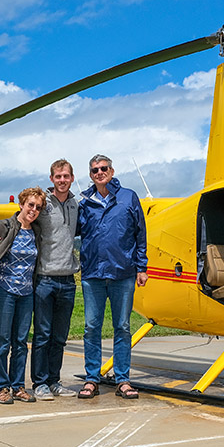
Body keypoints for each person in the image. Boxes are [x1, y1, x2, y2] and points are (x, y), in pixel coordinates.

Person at [0, 160, 80, 400]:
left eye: (66, 176)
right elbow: (18, 219)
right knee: (37, 335)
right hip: (40, 281)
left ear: (72, 178)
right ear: (52, 179)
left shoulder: (76, 205)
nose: (62, 180)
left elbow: (28, 220)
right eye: (58, 176)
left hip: (64, 281)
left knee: (53, 338)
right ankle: (30, 383)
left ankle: (49, 381)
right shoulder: (42, 204)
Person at [77, 154, 148, 400]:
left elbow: (141, 233)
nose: (99, 172)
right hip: (93, 274)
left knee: (123, 327)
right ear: (90, 175)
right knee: (91, 327)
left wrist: (142, 267)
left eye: (103, 168)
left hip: (123, 273)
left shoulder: (129, 197)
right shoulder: (84, 202)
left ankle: (123, 379)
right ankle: (92, 378)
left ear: (112, 170)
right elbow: (63, 227)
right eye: (95, 169)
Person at [0, 187, 46, 405]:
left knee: (20, 342)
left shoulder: (36, 231)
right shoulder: (4, 227)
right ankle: (2, 387)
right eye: (30, 205)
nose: (33, 210)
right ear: (21, 204)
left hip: (26, 293)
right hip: (2, 291)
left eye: (38, 207)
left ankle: (18, 386)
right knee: (3, 341)